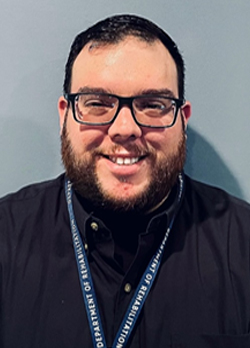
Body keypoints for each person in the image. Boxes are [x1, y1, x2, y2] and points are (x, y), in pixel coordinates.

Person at [0, 14, 250, 348]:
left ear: (182, 120)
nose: (124, 129)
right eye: (98, 104)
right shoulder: (5, 236)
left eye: (152, 105)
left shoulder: (244, 246)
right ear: (64, 116)